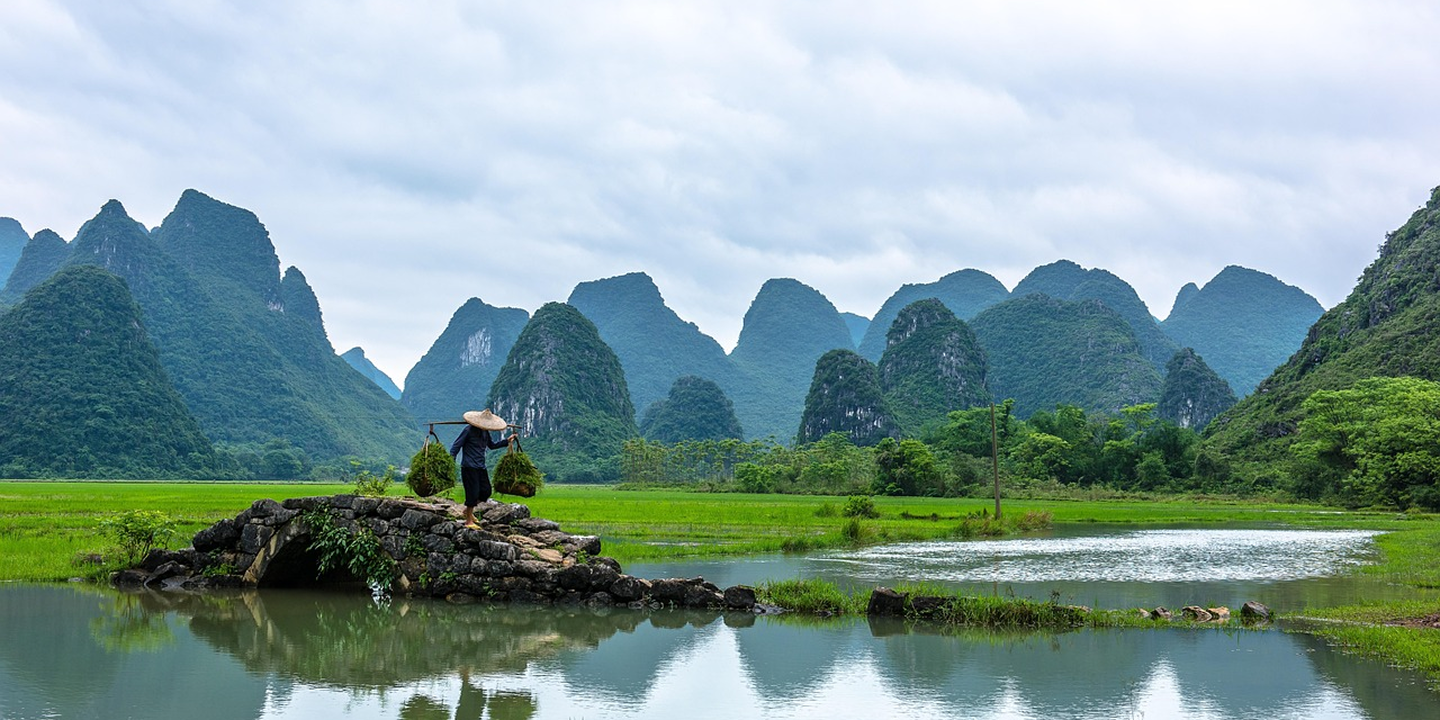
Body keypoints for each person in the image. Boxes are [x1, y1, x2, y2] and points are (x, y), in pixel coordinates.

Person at [450, 409, 514, 528]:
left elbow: (492, 445)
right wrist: (451, 461)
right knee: (472, 493)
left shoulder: (485, 432)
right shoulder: (468, 430)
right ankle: (469, 521)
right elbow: (456, 446)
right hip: (469, 466)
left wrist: (507, 441)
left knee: (486, 491)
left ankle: (467, 511)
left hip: (481, 466)